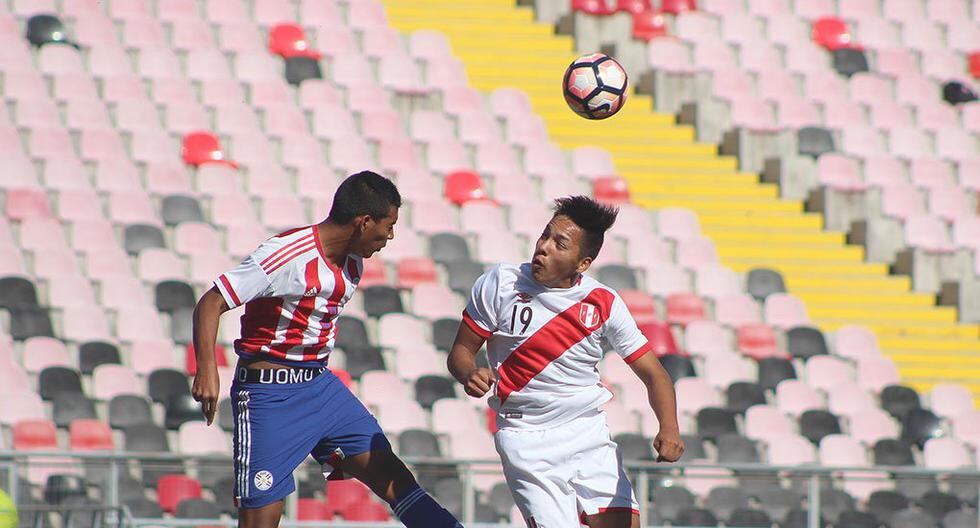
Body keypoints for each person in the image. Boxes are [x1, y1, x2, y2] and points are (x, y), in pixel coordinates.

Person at [191, 171, 462, 528]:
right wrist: (207, 369)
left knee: (395, 478)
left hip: (320, 388)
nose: (390, 236)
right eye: (389, 225)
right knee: (261, 517)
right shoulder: (286, 254)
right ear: (364, 222)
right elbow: (211, 302)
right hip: (269, 398)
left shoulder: (353, 261)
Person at [447, 196, 684, 528]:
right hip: (525, 436)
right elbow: (460, 352)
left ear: (583, 263)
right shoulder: (500, 283)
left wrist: (669, 427)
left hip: (586, 432)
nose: (543, 247)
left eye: (559, 244)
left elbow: (654, 374)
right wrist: (469, 372)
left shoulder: (604, 303)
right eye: (545, 235)